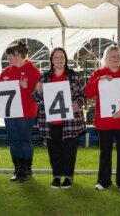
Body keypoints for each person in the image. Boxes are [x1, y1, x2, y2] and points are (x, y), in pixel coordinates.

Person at [85, 45, 120, 192]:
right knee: (105, 151)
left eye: (118, 56)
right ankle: (103, 181)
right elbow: (88, 93)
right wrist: (99, 80)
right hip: (104, 121)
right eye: (112, 55)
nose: (116, 58)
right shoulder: (98, 73)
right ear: (106, 58)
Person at [32, 47, 86, 189]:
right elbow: (36, 98)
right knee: (53, 150)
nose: (59, 60)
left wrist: (78, 104)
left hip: (71, 121)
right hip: (50, 121)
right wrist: (38, 90)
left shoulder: (75, 76)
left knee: (70, 150)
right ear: (51, 60)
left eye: (62, 57)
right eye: (56, 57)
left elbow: (83, 95)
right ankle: (56, 176)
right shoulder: (44, 77)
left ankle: (68, 176)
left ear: (66, 59)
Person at [0, 41, 41, 182]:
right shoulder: (6, 72)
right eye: (8, 55)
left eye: (10, 55)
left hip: (27, 112)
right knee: (13, 140)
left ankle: (26, 169)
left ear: (19, 55)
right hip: (10, 112)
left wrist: (28, 87)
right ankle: (17, 169)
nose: (8, 58)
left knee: (24, 140)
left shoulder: (33, 71)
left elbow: (39, 93)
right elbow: (0, 92)